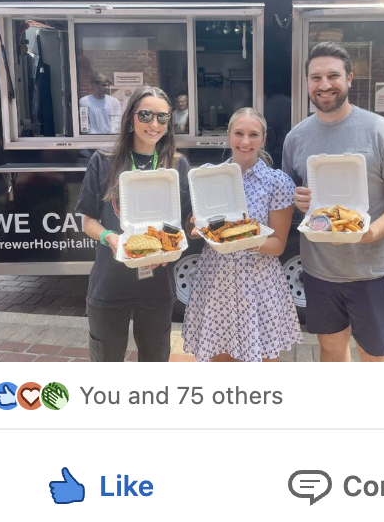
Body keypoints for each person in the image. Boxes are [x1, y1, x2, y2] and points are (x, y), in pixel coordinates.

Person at [283, 42, 384, 362]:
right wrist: (297, 199)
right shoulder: (296, 138)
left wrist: (371, 232)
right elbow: (292, 201)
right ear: (307, 83)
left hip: (371, 271)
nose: (324, 84)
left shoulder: (382, 132)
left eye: (333, 75)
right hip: (319, 270)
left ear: (350, 79)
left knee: (373, 357)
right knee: (331, 349)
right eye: (315, 77)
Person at [75, 86, 190, 362]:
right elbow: (88, 221)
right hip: (110, 283)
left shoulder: (176, 165)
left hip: (157, 287)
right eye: (146, 115)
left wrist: (191, 230)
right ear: (130, 118)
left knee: (154, 363)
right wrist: (111, 239)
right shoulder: (103, 162)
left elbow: (181, 225)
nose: (154, 124)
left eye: (163, 118)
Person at [182, 108, 301, 363]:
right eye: (239, 133)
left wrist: (242, 241)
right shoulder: (208, 175)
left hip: (259, 284)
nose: (245, 142)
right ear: (228, 136)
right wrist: (197, 225)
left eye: (253, 134)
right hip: (216, 282)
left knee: (264, 363)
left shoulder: (277, 182)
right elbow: (199, 227)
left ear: (264, 138)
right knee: (220, 361)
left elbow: (278, 245)